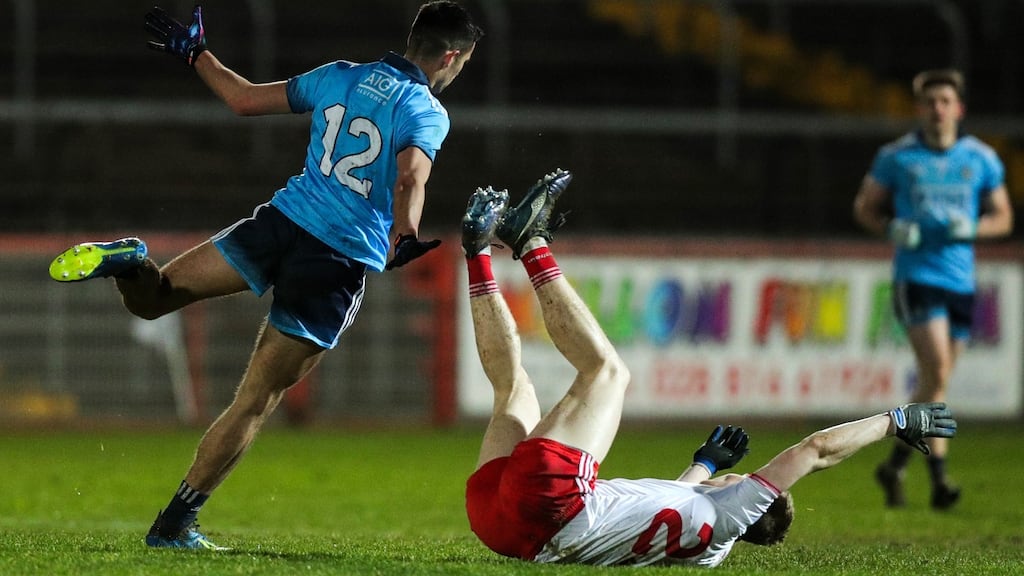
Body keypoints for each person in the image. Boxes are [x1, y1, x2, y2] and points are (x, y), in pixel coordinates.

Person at [47, 2, 482, 549]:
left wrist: (195, 52)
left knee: (150, 299)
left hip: (278, 224)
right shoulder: (426, 109)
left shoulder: (338, 75)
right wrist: (405, 234)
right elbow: (410, 178)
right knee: (254, 400)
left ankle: (133, 259)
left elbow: (243, 98)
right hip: (336, 260)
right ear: (451, 55)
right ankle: (173, 526)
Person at [462, 170, 958, 567]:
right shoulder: (707, 547)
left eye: (737, 482)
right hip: (506, 530)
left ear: (754, 503)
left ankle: (531, 243)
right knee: (513, 390)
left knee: (609, 373)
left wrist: (894, 421)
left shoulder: (740, 508)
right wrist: (707, 463)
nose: (733, 479)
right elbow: (680, 495)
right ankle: (478, 251)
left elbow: (817, 450)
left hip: (553, 503)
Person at [852, 68, 1013, 510]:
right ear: (919, 108)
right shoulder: (898, 157)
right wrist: (892, 227)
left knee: (932, 382)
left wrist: (974, 226)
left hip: (961, 279)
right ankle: (939, 478)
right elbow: (864, 207)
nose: (938, 109)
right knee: (938, 372)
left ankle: (894, 466)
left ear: (958, 109)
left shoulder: (980, 158)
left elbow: (1004, 217)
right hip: (917, 276)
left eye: (945, 101)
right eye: (930, 101)